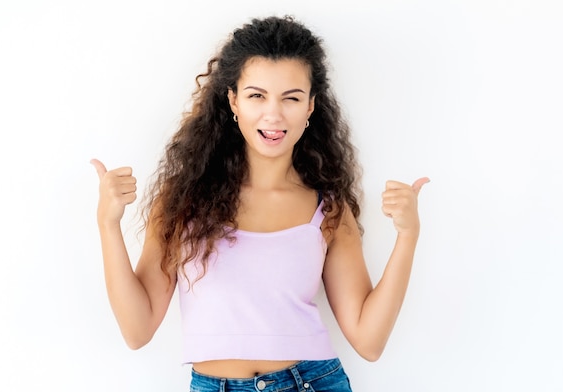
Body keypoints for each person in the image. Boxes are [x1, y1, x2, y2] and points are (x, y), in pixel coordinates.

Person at [91, 15, 428, 392]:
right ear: (233, 100)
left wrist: (408, 235)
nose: (274, 114)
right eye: (257, 95)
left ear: (311, 107)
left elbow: (369, 340)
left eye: (292, 98)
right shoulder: (182, 201)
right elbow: (137, 331)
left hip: (312, 382)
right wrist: (108, 224)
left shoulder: (327, 208)